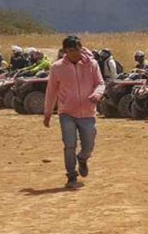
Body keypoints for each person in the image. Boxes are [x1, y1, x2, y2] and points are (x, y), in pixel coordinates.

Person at [43, 35, 105, 188]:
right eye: (71, 50)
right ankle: (71, 175)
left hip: (88, 113)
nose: (74, 53)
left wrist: (97, 94)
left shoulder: (92, 64)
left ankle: (83, 158)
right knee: (69, 144)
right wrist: (48, 113)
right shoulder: (57, 68)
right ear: (65, 50)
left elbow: (100, 83)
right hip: (67, 113)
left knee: (88, 145)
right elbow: (51, 92)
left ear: (81, 48)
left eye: (77, 49)